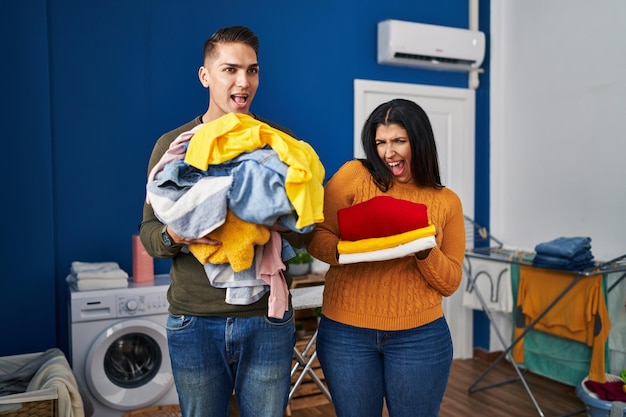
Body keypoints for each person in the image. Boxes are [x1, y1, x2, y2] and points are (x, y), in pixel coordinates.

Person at [140, 26, 317, 417]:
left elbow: (307, 233)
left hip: (267, 320)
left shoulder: (278, 142)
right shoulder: (176, 146)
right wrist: (177, 233)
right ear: (205, 75)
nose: (243, 82)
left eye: (252, 70)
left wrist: (282, 221)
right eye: (230, 69)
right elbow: (150, 235)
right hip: (194, 321)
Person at [306, 98, 466, 417]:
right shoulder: (354, 175)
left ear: (419, 142)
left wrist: (423, 250)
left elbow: (450, 282)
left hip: (420, 337)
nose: (388, 152)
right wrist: (351, 250)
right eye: (380, 142)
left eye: (398, 141)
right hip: (346, 333)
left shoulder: (448, 201)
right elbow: (316, 234)